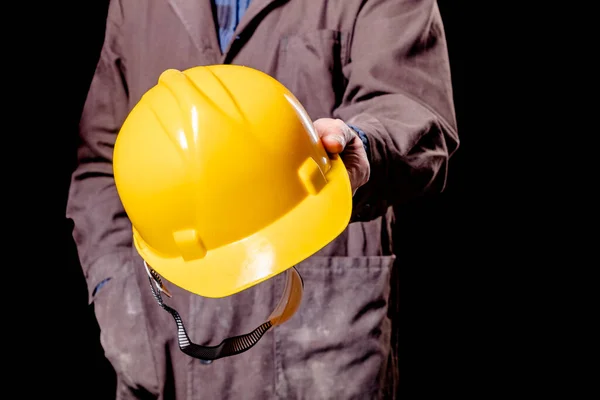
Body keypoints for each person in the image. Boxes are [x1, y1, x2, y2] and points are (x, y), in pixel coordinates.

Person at [66, 0, 459, 399]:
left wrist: (363, 148)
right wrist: (114, 289)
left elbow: (413, 110)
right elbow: (99, 158)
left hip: (324, 339)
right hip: (162, 349)